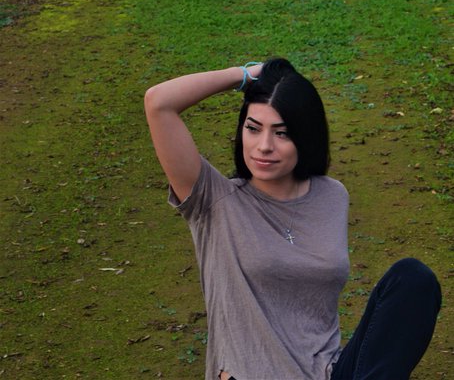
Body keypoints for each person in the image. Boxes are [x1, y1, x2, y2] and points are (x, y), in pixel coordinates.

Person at [144, 58, 441, 380]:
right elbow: (159, 103)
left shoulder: (331, 195)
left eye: (282, 133)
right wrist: (244, 76)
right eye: (253, 128)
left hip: (329, 373)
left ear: (306, 136)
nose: (264, 146)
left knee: (413, 279)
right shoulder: (214, 200)